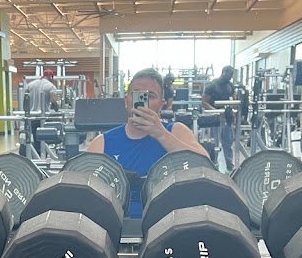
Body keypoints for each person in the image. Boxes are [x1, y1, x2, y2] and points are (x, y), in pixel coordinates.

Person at [87, 68, 210, 217]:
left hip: (167, 221)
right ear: (126, 101)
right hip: (117, 222)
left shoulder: (176, 131)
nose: (142, 101)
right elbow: (87, 194)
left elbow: (206, 167)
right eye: (136, 94)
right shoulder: (102, 142)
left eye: (150, 96)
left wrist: (161, 134)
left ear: (161, 104)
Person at [202, 65, 235, 170]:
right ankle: (213, 164)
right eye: (229, 74)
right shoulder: (212, 86)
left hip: (227, 117)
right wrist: (216, 111)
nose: (231, 77)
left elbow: (234, 101)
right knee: (214, 143)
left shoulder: (230, 86)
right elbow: (204, 102)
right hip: (214, 118)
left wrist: (233, 114)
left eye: (232, 75)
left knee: (228, 143)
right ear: (224, 73)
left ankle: (229, 165)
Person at [25, 68, 60, 157]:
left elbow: (25, 100)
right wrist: (57, 108)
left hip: (32, 117)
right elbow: (53, 100)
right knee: (45, 138)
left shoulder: (30, 85)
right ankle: (44, 155)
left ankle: (36, 156)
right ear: (51, 77)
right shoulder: (51, 86)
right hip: (44, 117)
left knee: (36, 139)